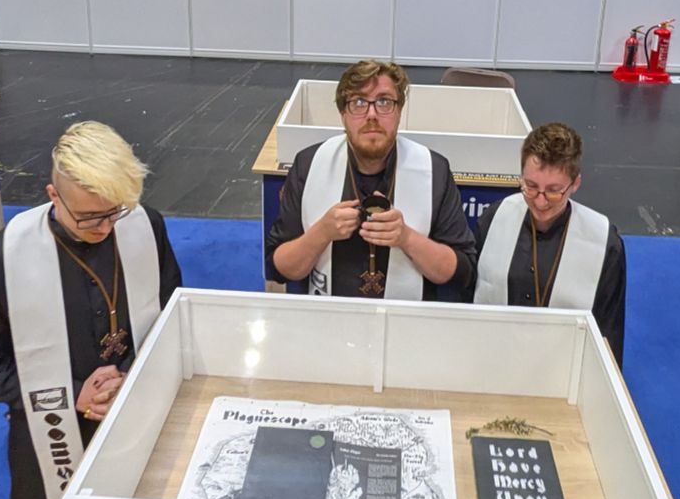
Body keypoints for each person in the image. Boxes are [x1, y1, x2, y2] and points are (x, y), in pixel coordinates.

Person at [0, 121, 181, 499]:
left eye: (115, 211)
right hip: (51, 423)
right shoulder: (1, 262)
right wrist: (72, 392)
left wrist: (131, 373)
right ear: (53, 195)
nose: (106, 226)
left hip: (138, 402)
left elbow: (171, 310)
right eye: (89, 217)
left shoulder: (142, 224)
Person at [266, 60, 476, 301]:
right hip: (328, 322)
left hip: (407, 325)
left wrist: (407, 238)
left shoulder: (433, 169)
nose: (372, 114)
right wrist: (321, 233)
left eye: (385, 102)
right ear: (343, 114)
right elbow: (278, 268)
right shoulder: (309, 164)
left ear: (399, 113)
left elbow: (463, 271)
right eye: (359, 103)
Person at [471, 122, 626, 365]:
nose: (541, 202)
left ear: (575, 183)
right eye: (531, 187)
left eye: (554, 191)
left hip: (564, 372)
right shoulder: (495, 218)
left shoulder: (604, 243)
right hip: (492, 361)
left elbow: (609, 334)